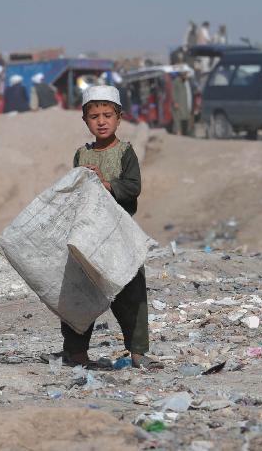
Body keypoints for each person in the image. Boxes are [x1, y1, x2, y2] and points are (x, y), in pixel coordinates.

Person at [47, 85, 160, 370]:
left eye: (107, 115)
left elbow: (134, 187)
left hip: (118, 236)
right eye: (94, 116)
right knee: (79, 295)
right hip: (86, 237)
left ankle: (137, 352)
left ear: (119, 118)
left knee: (131, 294)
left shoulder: (125, 152)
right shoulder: (80, 155)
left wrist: (106, 185)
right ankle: (76, 353)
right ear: (85, 120)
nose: (101, 121)